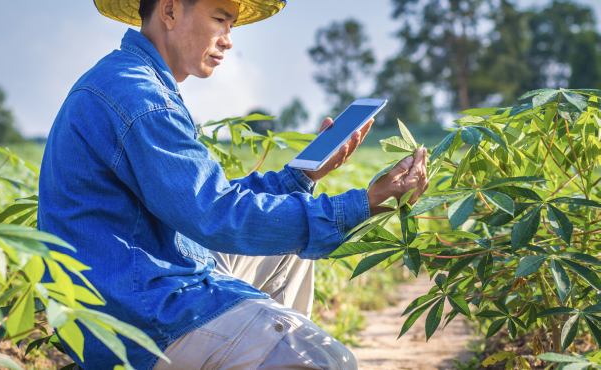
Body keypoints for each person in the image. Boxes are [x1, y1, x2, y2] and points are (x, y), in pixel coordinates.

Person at [37, 0, 429, 369]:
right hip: (139, 312)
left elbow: (209, 199)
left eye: (231, 24)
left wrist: (303, 176)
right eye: (220, 18)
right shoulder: (141, 98)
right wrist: (363, 203)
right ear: (171, 10)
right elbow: (218, 216)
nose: (228, 38)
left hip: (145, 276)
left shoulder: (130, 80)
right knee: (327, 362)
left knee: (285, 251)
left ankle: (262, 346)